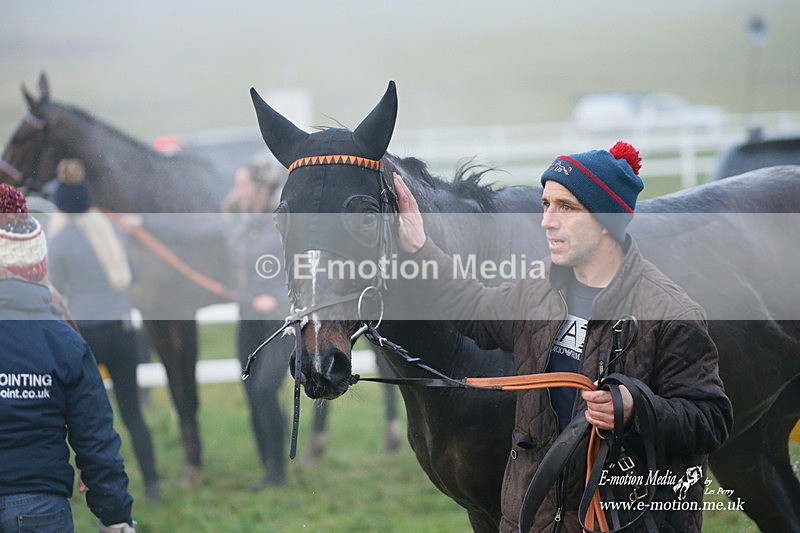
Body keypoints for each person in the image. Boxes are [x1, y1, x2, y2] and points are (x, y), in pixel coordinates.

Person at [391, 142, 733, 532]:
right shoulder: (538, 289)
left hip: (625, 521)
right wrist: (420, 248)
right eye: (546, 205)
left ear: (606, 220)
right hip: (535, 521)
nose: (547, 221)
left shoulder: (671, 313)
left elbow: (712, 420)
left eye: (565, 208)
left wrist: (637, 408)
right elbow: (476, 311)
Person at [0, 183, 136, 533]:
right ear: (37, 265)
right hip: (38, 510)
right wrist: (115, 516)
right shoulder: (65, 342)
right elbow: (95, 440)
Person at [46, 159, 160, 502]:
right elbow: (133, 277)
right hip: (122, 332)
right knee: (133, 414)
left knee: (90, 420)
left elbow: (57, 287)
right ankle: (153, 483)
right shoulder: (113, 233)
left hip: (86, 337)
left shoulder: (61, 240)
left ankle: (99, 486)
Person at [224, 160, 294, 489]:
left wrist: (276, 297)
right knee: (253, 391)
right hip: (248, 319)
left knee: (266, 389)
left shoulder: (284, 225)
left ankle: (277, 470)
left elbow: (300, 271)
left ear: (262, 189)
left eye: (242, 185)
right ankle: (268, 463)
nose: (237, 192)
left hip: (278, 322)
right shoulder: (241, 223)